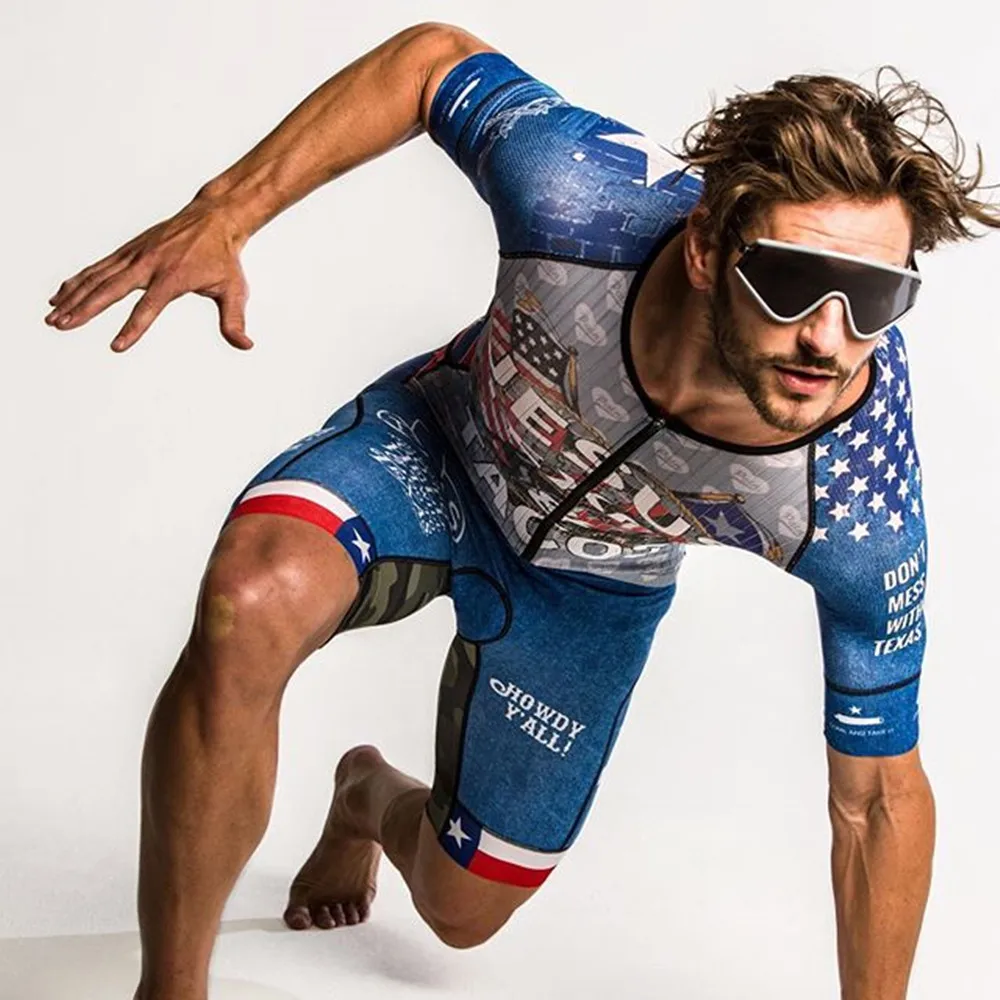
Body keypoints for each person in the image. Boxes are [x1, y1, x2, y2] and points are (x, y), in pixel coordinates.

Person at [44, 20, 999, 1000]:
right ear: (708, 249)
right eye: (791, 280)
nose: (828, 339)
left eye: (874, 296)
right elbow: (430, 61)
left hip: (589, 589)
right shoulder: (580, 197)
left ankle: (364, 795)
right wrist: (225, 212)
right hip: (437, 449)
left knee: (460, 911)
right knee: (251, 599)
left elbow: (877, 801)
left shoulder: (854, 496)